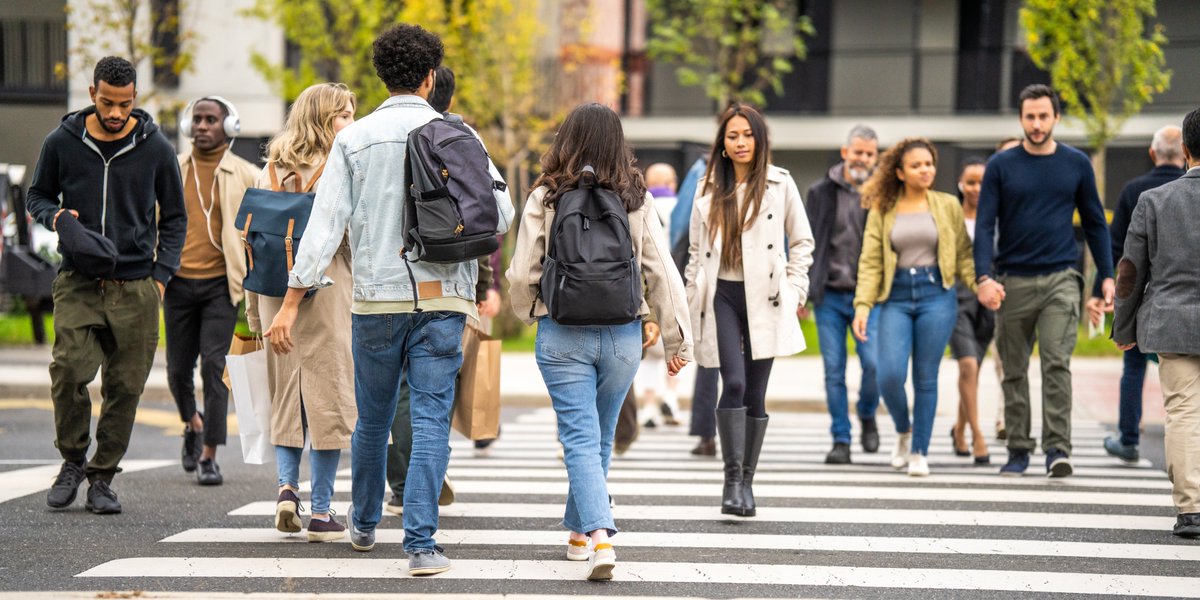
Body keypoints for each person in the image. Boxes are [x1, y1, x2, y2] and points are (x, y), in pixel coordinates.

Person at [265, 25, 513, 576]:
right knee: (428, 418)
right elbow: (502, 213)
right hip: (444, 297)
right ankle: (421, 545)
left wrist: (291, 299)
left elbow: (324, 229)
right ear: (430, 77)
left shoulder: (355, 139)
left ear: (382, 76)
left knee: (373, 419)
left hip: (375, 299)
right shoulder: (458, 134)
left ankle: (364, 524)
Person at [507, 102, 692, 580]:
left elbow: (522, 269)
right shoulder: (636, 198)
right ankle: (577, 533)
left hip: (562, 330)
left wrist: (530, 311)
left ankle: (600, 536)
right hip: (622, 335)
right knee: (598, 436)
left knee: (579, 438)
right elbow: (661, 271)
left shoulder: (546, 196)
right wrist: (676, 340)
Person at [28, 56, 186, 514]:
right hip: (78, 281)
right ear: (92, 94)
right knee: (69, 371)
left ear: (134, 99)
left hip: (136, 286)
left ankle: (102, 478)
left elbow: (174, 218)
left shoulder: (155, 148)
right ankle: (73, 459)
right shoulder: (62, 141)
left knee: (125, 386)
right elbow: (37, 194)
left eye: (124, 104)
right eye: (106, 102)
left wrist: (160, 278)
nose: (116, 113)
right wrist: (55, 217)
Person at [975, 84, 1114, 478]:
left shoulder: (1076, 164)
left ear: (1055, 117)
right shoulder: (1001, 166)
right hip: (1011, 281)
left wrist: (1106, 276)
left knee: (1056, 364)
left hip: (1060, 280)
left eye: (1043, 116)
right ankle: (1018, 449)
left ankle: (1057, 449)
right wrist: (984, 277)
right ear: (1021, 118)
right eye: (1030, 117)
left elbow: (1094, 224)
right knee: (1014, 370)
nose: (1036, 124)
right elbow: (984, 226)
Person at [686, 103, 814, 516]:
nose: (740, 143)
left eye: (747, 135)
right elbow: (693, 251)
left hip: (768, 297)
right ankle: (730, 480)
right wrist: (692, 297)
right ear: (722, 144)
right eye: (732, 136)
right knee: (734, 384)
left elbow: (802, 241)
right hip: (722, 294)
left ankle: (747, 484)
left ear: (760, 140)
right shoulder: (707, 187)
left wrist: (795, 289)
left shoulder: (781, 183)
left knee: (756, 393)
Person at [245, 83, 358, 542]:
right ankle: (324, 511)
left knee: (286, 395)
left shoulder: (269, 170)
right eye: (345, 115)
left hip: (274, 294)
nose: (352, 123)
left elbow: (250, 243)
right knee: (329, 399)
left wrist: (256, 316)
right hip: (329, 293)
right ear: (325, 118)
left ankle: (286, 490)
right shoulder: (342, 167)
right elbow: (351, 238)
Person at [852, 138, 976, 477]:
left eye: (929, 163)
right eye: (917, 165)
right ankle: (904, 429)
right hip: (896, 296)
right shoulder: (883, 208)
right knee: (888, 373)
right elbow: (870, 261)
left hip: (937, 294)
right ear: (900, 173)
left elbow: (964, 255)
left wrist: (982, 285)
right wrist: (862, 306)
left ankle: (919, 450)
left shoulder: (947, 205)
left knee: (926, 376)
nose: (926, 170)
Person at [1113, 107, 1200, 539]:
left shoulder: (1155, 200)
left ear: (1185, 150)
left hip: (1173, 321)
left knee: (1183, 413)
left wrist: (1123, 328)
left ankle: (1191, 510)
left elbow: (1130, 271)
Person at [168, 96, 259, 485]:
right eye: (197, 119)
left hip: (221, 286)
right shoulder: (171, 168)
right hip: (175, 282)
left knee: (214, 367)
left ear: (229, 126)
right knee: (176, 371)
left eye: (211, 120)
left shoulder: (247, 174)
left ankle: (208, 455)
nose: (203, 126)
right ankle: (193, 422)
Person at [1088, 126, 1185, 464]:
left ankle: (1128, 437)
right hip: (1186, 305)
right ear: (1185, 152)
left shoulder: (1135, 191)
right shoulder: (1191, 191)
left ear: (1151, 153)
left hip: (1146, 300)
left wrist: (1105, 292)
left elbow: (1119, 250)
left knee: (1133, 367)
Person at [805, 125, 882, 464]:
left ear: (875, 157)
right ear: (845, 151)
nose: (863, 158)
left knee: (874, 365)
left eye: (869, 153)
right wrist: (804, 290)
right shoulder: (820, 192)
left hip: (869, 297)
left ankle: (867, 413)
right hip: (830, 296)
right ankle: (841, 439)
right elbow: (807, 242)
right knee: (833, 369)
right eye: (858, 152)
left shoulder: (882, 193)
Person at [670, 155, 721, 456]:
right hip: (707, 276)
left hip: (719, 276)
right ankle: (711, 433)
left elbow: (679, 224)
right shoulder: (703, 172)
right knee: (710, 355)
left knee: (712, 359)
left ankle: (708, 433)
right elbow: (682, 225)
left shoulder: (702, 169)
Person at [949, 157, 994, 464]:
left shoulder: (995, 218)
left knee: (974, 370)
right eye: (971, 182)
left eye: (983, 182)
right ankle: (978, 435)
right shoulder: (950, 218)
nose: (977, 188)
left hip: (988, 303)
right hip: (955, 299)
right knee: (968, 367)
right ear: (961, 185)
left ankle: (959, 428)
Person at [638, 162, 682, 427]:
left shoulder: (641, 205)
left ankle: (649, 407)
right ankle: (671, 397)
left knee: (649, 353)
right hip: (676, 288)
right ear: (672, 183)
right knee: (676, 349)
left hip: (649, 287)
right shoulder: (681, 208)